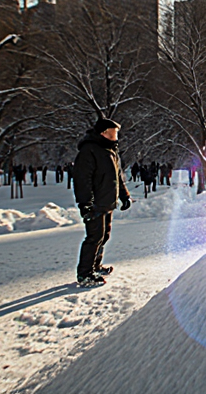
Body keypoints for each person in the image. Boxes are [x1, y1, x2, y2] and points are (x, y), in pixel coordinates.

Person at [72, 119, 132, 288]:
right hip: (95, 204)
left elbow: (117, 177)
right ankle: (85, 274)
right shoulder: (89, 151)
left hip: (107, 202)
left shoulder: (111, 151)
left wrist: (124, 196)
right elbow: (82, 180)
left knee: (104, 236)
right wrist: (86, 204)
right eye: (113, 133)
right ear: (103, 133)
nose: (116, 136)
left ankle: (95, 266)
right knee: (94, 237)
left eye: (116, 133)